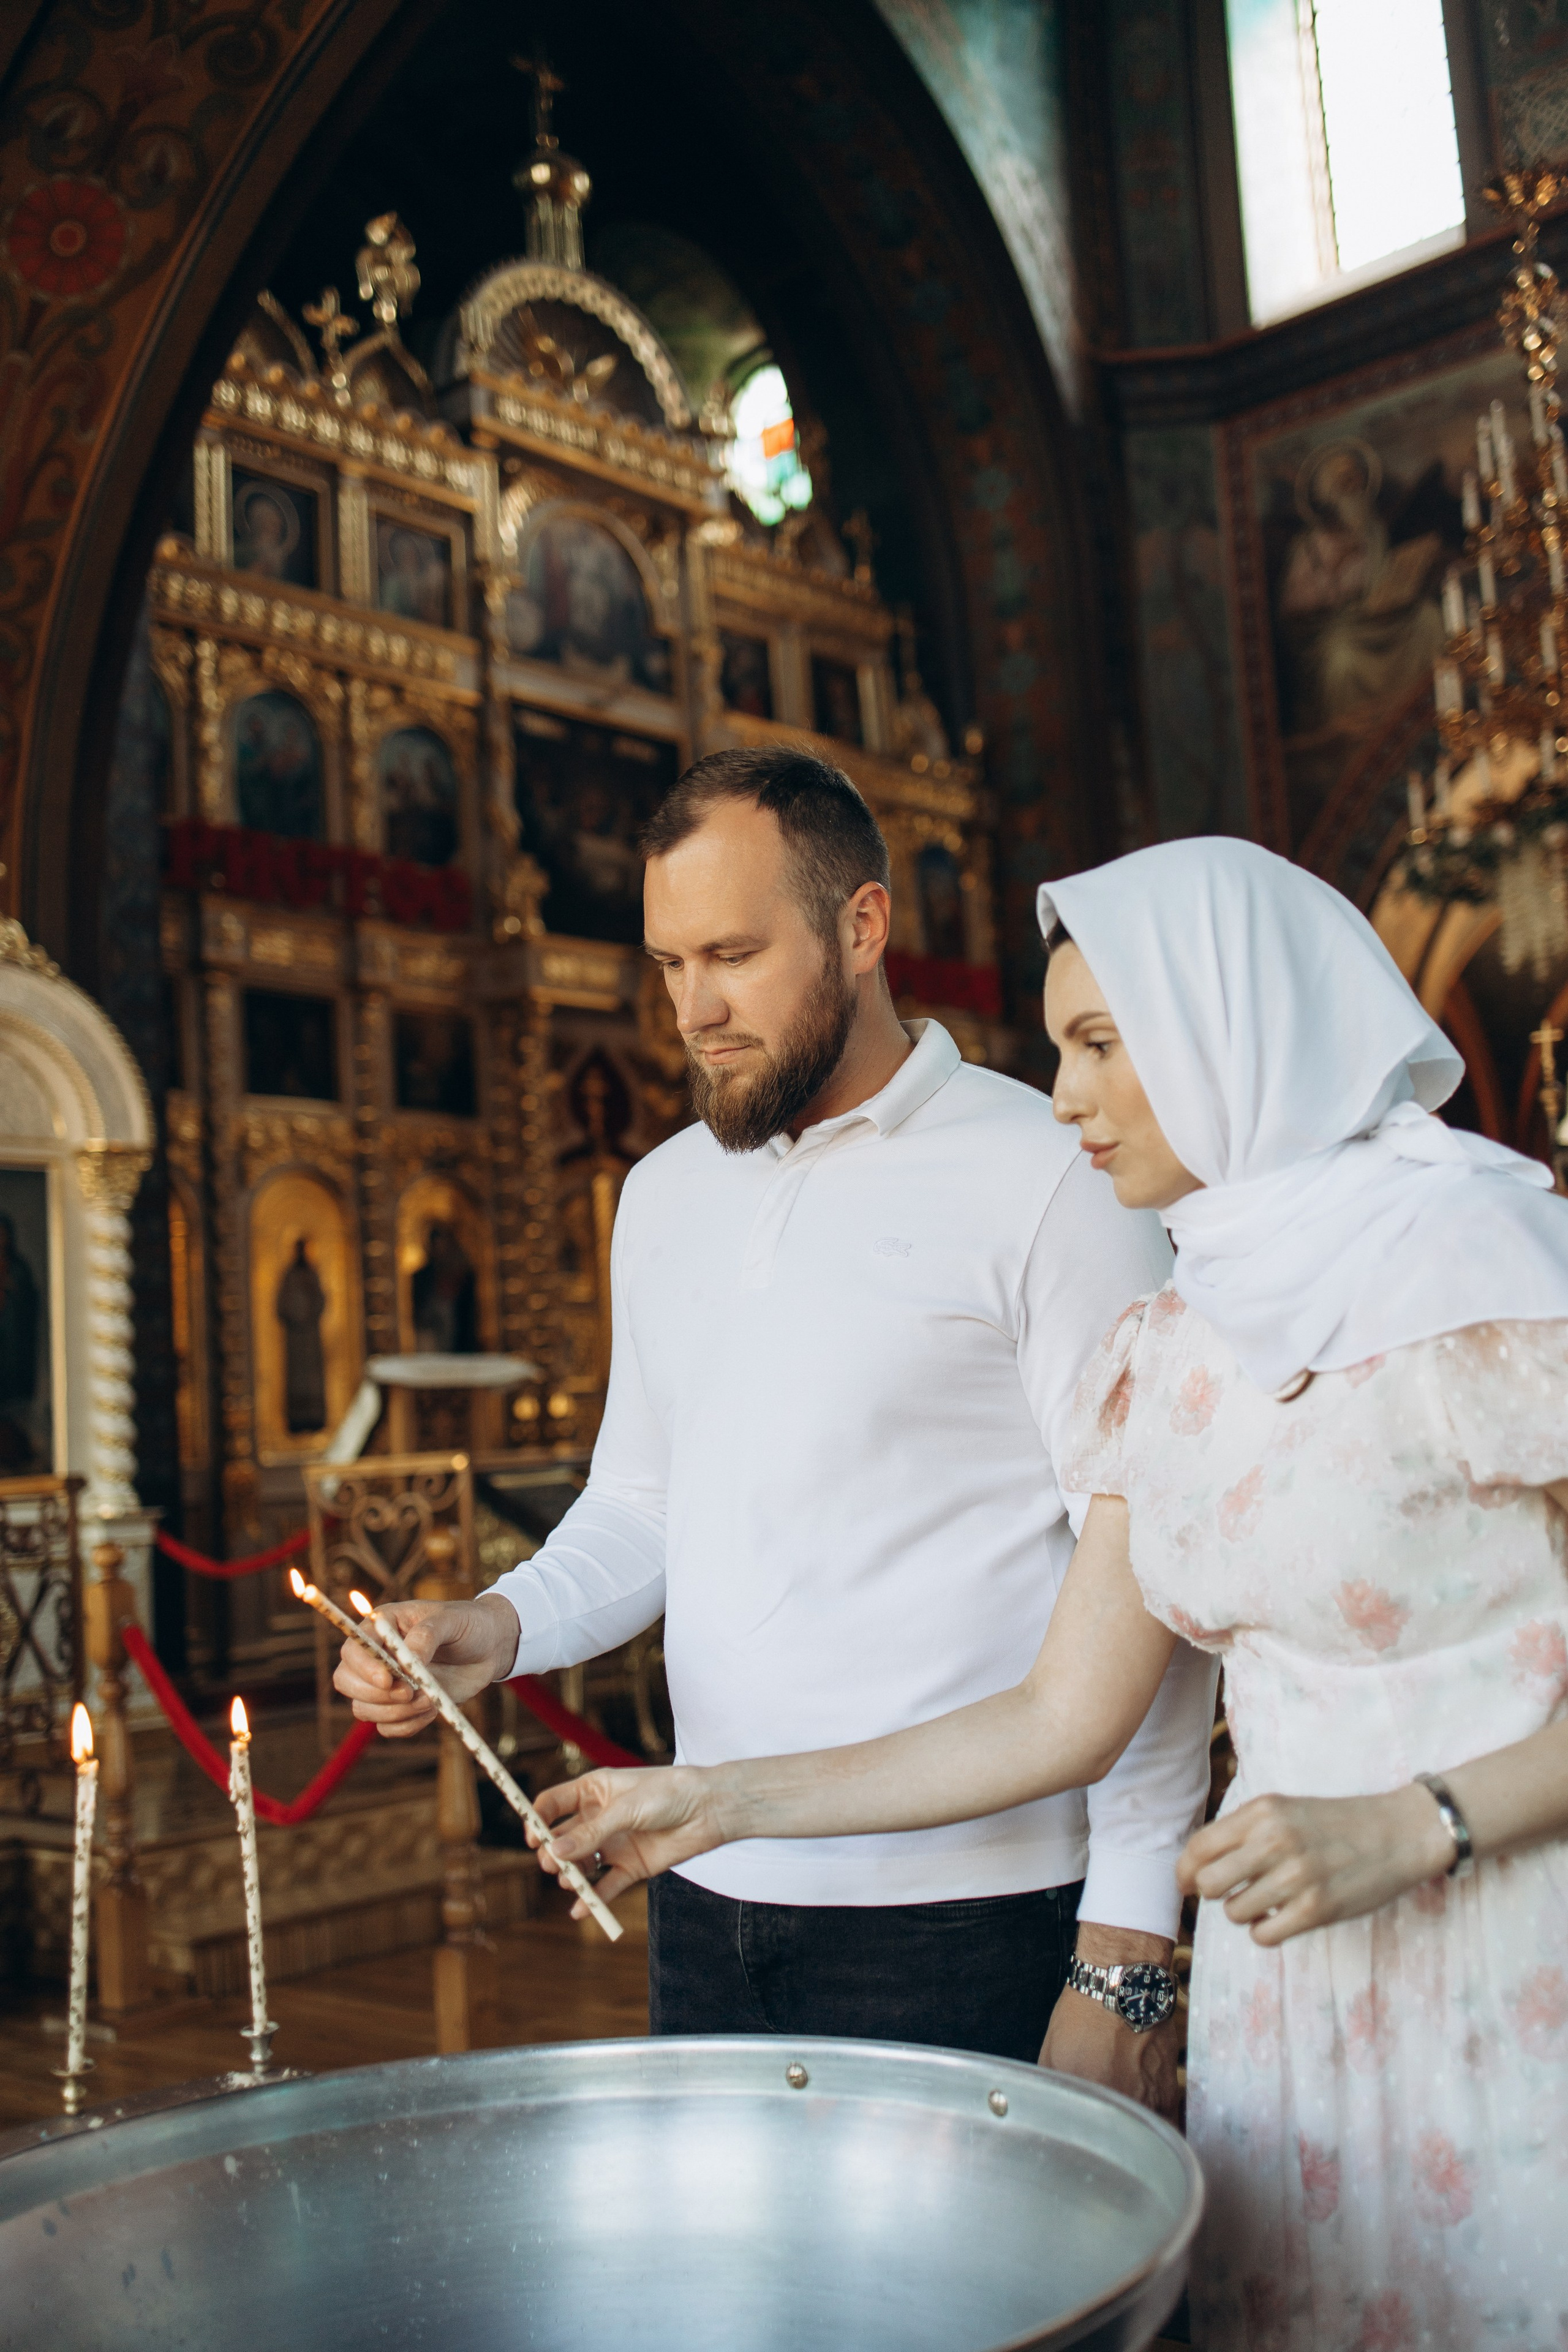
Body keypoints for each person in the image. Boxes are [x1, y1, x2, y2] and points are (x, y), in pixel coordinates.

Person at [527, 837, 1568, 2352]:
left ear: (1232, 1031)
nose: (1063, 1097)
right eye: (1056, 1048)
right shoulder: (1173, 1343)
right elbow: (1058, 1715)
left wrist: (1416, 1824)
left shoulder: (1481, 1268)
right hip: (1295, 1990)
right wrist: (716, 1804)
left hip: (1508, 1931)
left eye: (1096, 1047)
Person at [336, 744, 1216, 2094]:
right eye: (668, 963)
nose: (692, 1010)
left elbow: (1152, 1578)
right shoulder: (664, 1193)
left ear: (861, 926)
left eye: (732, 954)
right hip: (698, 1884)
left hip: (973, 1914)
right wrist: (497, 1627)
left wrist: (1127, 1941)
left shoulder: (1050, 1174)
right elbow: (642, 1505)